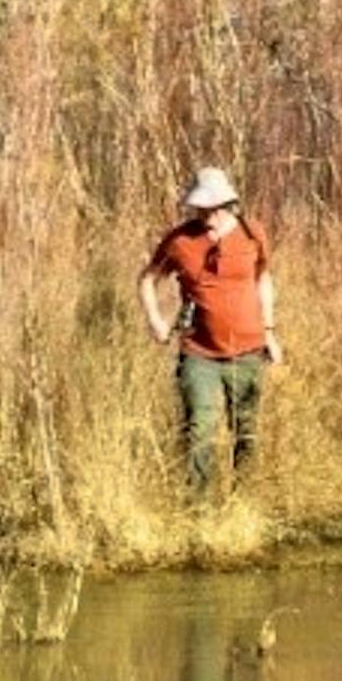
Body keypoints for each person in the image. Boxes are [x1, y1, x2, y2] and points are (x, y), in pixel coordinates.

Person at [138, 166, 281, 494]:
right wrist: (156, 321)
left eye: (213, 208)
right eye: (201, 209)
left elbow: (263, 279)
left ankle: (243, 500)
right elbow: (147, 279)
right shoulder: (179, 241)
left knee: (245, 430)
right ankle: (199, 509)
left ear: (228, 204)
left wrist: (270, 332)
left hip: (249, 350)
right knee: (200, 428)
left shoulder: (251, 232)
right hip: (199, 353)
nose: (207, 215)